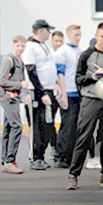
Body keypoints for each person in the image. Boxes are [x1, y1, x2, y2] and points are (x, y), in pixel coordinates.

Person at [67, 22, 103, 190]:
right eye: (102, 37)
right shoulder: (87, 55)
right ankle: (73, 175)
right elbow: (78, 78)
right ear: (96, 36)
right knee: (84, 136)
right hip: (91, 99)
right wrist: (93, 77)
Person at [22, 19, 60, 170]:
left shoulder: (44, 46)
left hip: (49, 90)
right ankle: (35, 157)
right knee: (37, 125)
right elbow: (31, 71)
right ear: (40, 31)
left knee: (47, 124)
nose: (50, 33)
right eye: (47, 30)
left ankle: (42, 154)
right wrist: (41, 92)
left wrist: (54, 84)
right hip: (37, 92)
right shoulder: (30, 47)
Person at [0, 35, 29, 174]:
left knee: (9, 127)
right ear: (13, 46)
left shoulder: (19, 61)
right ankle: (9, 160)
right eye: (18, 46)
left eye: (22, 46)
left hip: (14, 97)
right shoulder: (9, 60)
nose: (20, 48)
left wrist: (24, 93)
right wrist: (19, 85)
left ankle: (5, 161)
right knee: (16, 126)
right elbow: (2, 81)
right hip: (8, 97)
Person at [54, 25, 82, 169]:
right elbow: (60, 74)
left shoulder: (80, 51)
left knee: (77, 126)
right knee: (67, 125)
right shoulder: (62, 51)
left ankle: (71, 155)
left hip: (79, 93)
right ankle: (61, 155)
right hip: (68, 92)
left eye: (79, 35)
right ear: (69, 35)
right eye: (75, 35)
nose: (78, 37)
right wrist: (63, 94)